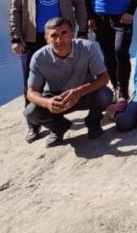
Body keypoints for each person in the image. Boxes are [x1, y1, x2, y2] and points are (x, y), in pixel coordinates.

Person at [9, 0, 88, 142]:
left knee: (58, 80)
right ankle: (33, 124)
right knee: (30, 82)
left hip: (63, 38)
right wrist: (16, 37)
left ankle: (57, 120)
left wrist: (82, 31)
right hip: (33, 38)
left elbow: (80, 4)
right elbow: (15, 9)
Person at [24, 17, 113, 147]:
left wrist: (78, 92)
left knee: (106, 95)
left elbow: (104, 78)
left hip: (84, 94)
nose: (59, 40)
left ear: (72, 34)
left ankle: (93, 121)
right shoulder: (39, 58)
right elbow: (31, 92)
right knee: (30, 112)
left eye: (64, 33)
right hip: (57, 99)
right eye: (54, 35)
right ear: (47, 39)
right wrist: (47, 102)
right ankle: (59, 127)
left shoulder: (87, 47)